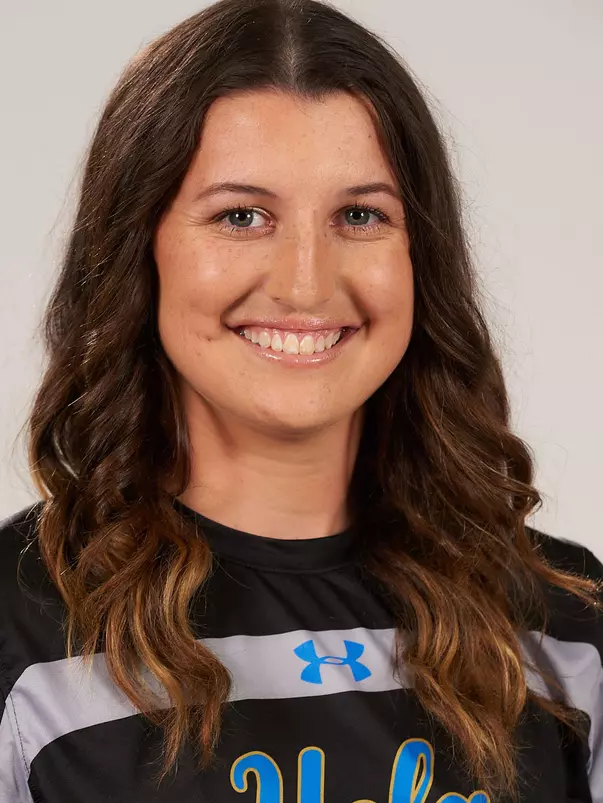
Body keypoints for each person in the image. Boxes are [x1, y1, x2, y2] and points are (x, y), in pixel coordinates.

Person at [1, 0, 601, 801]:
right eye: (241, 216)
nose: (305, 283)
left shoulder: (568, 628)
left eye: (360, 215)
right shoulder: (18, 629)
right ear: (137, 250)